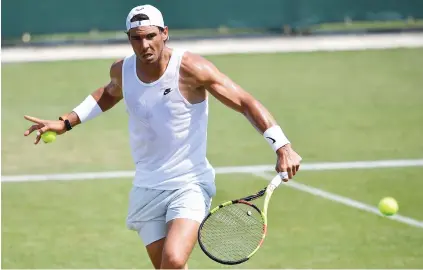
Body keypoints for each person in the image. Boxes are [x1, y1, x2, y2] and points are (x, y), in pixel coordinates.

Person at [23, 4, 302, 269]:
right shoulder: (122, 70)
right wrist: (65, 122)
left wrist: (282, 146)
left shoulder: (192, 68)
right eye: (136, 38)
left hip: (189, 184)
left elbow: (243, 101)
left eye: (151, 36)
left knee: (173, 260)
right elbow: (109, 92)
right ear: (129, 39)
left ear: (165, 33)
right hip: (147, 187)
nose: (144, 46)